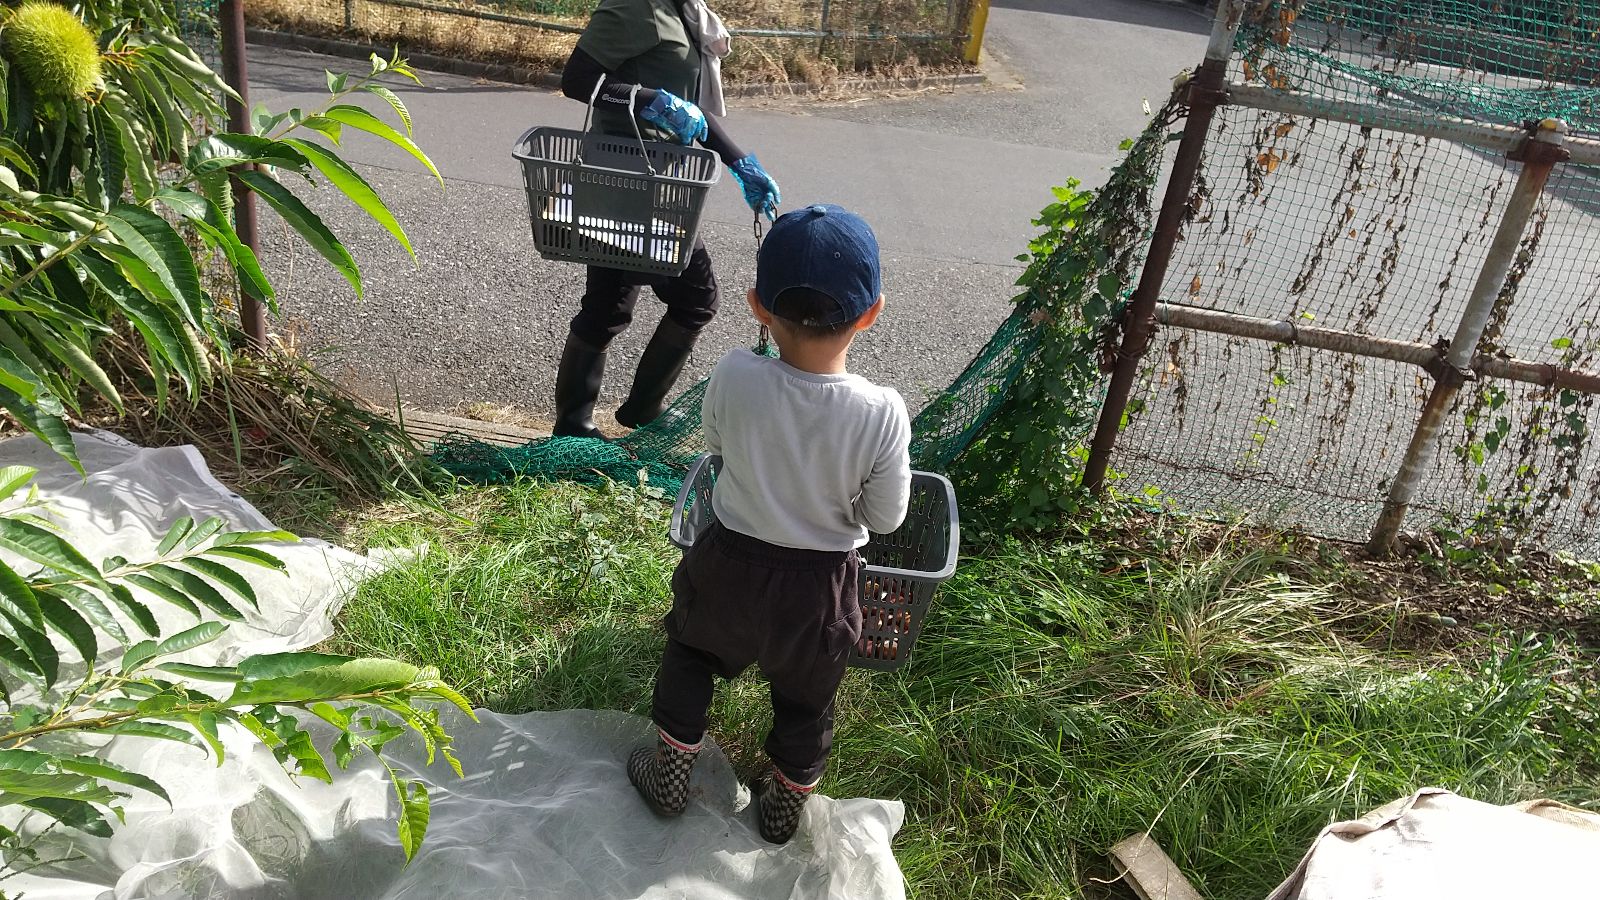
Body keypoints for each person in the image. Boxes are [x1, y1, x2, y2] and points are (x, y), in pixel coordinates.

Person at [625, 204, 912, 844]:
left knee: (692, 651)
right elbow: (886, 516)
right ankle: (783, 801)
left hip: (728, 561)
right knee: (807, 696)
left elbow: (717, 448)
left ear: (757, 305)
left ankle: (673, 765)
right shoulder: (882, 411)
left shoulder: (733, 372)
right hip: (820, 588)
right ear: (871, 313)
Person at [554, 0, 782, 438]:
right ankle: (629, 412)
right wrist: (649, 100)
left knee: (608, 307)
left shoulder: (684, 10)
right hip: (627, 179)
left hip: (658, 180)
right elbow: (578, 79)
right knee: (695, 298)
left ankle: (583, 423)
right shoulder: (635, 6)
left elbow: (692, 111)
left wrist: (741, 164)